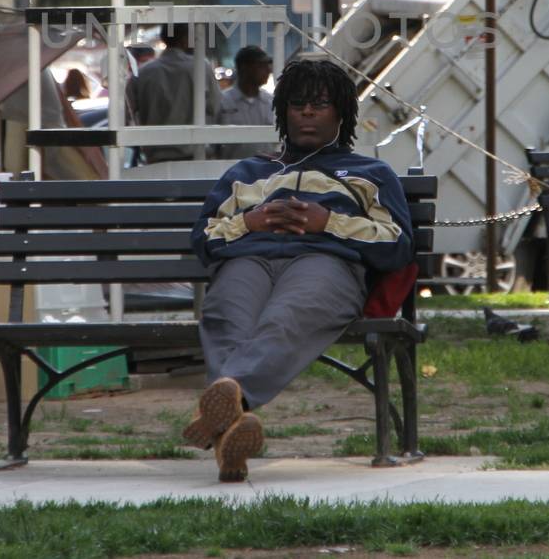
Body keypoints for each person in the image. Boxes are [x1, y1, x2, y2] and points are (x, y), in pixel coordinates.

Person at [185, 57, 413, 482]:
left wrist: (327, 222)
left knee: (285, 319)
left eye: (320, 104)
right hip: (248, 259)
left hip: (326, 264)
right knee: (224, 317)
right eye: (297, 104)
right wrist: (249, 222)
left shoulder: (370, 174)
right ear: (283, 112)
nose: (307, 112)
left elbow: (396, 244)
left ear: (341, 113)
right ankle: (231, 428)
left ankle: (225, 404)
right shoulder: (247, 173)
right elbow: (205, 239)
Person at [127, 25, 221, 163]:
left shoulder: (143, 73)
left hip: (155, 160)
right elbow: (215, 107)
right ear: (184, 39)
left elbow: (125, 113)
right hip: (195, 157)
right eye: (194, 38)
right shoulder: (201, 67)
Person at [212, 45, 274, 160]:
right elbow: (210, 144)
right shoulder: (221, 102)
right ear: (244, 67)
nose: (268, 70)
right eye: (261, 65)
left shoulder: (270, 102)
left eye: (268, 65)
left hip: (267, 172)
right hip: (230, 171)